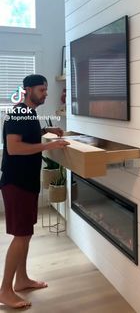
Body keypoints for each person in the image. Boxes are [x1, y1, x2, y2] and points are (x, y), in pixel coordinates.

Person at [0, 74, 69, 308]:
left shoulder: (28, 113)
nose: (46, 93)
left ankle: (22, 280)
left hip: (26, 183)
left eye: (46, 89)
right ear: (27, 90)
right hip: (16, 183)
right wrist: (49, 144)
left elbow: (28, 136)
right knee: (20, 237)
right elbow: (14, 147)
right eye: (41, 90)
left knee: (25, 234)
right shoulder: (18, 113)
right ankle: (5, 291)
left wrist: (47, 130)